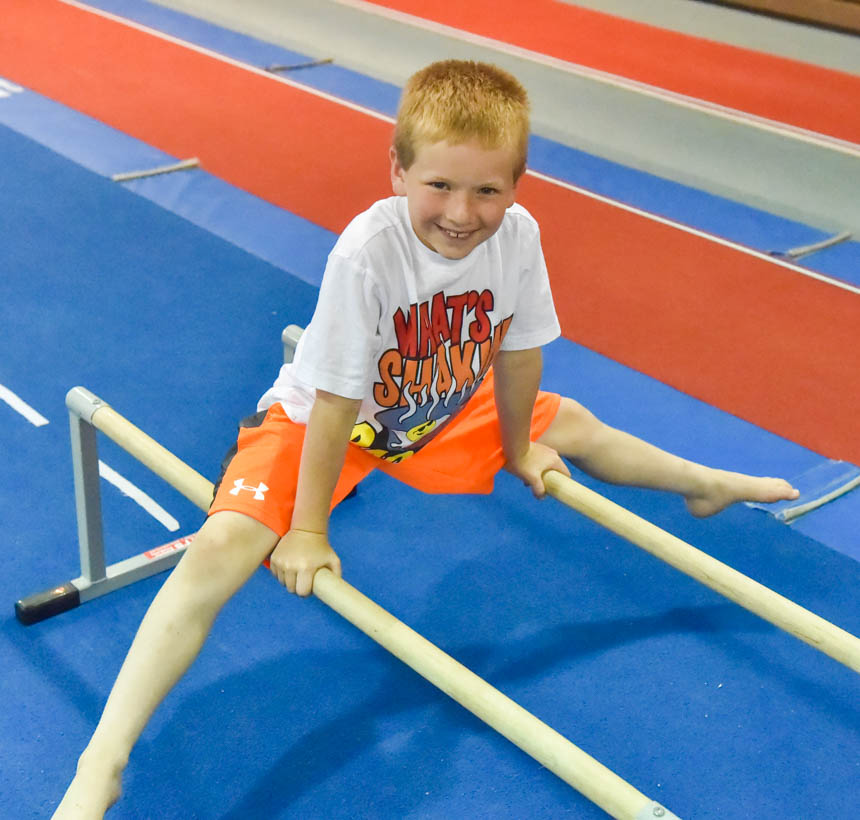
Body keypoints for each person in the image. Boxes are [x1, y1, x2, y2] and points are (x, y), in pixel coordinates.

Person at [53, 59, 798, 818]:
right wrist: (307, 529)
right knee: (219, 549)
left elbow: (518, 352)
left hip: (429, 407)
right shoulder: (367, 251)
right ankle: (101, 763)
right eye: (439, 185)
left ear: (518, 184)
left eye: (488, 190)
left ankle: (701, 484)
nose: (462, 212)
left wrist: (515, 447)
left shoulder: (520, 239)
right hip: (325, 422)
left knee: (571, 425)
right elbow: (339, 399)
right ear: (398, 171)